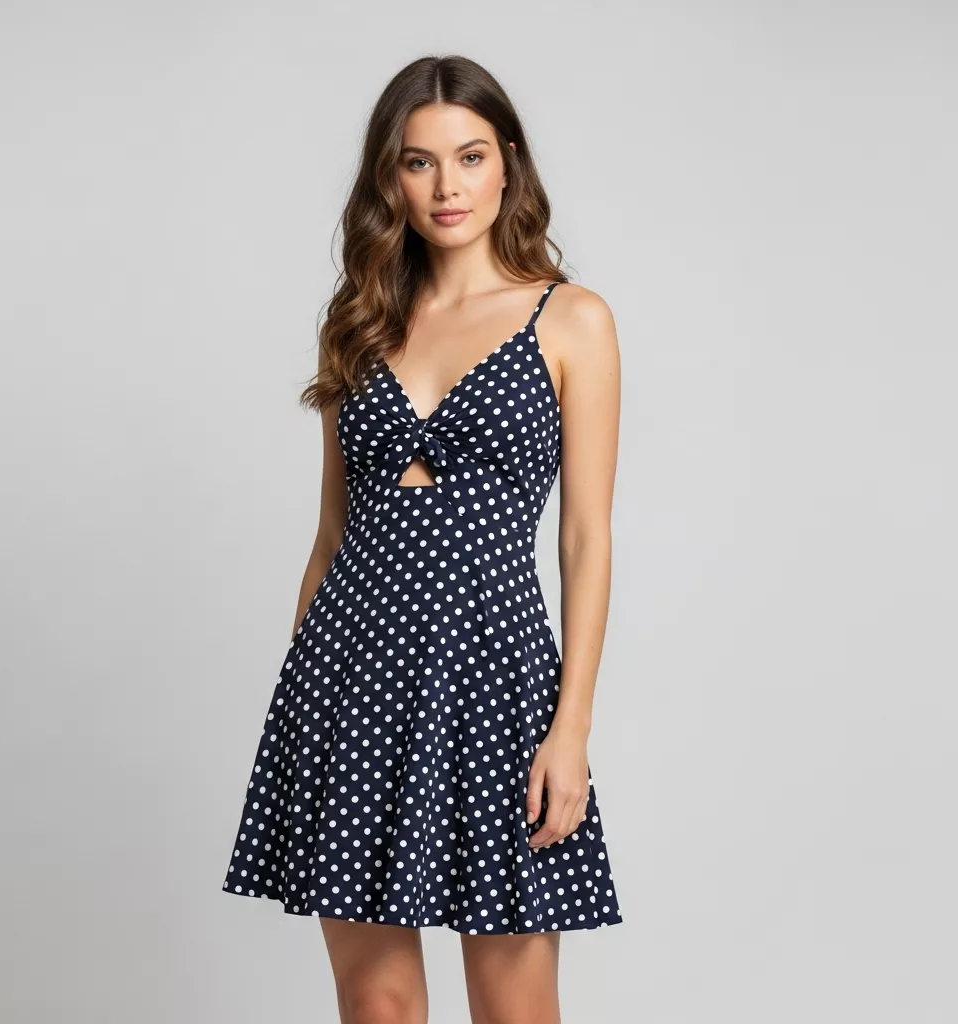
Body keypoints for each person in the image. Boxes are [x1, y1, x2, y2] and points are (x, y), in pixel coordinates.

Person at [223, 53, 623, 1024]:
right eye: (419, 162)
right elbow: (331, 536)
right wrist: (303, 702)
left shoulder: (571, 320)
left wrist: (570, 728)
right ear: (389, 179)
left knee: (514, 1003)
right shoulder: (359, 322)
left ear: (508, 162)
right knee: (378, 1004)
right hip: (347, 676)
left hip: (494, 682)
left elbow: (585, 539)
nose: (447, 186)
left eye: (470, 156)